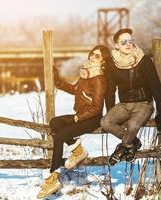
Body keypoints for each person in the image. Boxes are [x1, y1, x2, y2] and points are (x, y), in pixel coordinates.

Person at [37, 45, 110, 199]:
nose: (92, 57)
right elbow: (75, 90)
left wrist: (77, 118)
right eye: (92, 53)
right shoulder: (86, 73)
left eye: (97, 56)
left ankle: (52, 177)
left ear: (103, 60)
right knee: (55, 123)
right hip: (82, 114)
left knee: (60, 136)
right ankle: (78, 152)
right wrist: (58, 81)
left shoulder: (99, 78)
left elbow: (97, 108)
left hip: (92, 118)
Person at [100, 28, 161, 166]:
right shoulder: (112, 64)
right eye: (124, 41)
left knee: (132, 124)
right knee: (105, 122)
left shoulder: (143, 60)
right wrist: (111, 110)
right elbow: (110, 91)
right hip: (124, 104)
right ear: (116, 46)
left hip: (144, 104)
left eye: (131, 41)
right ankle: (133, 143)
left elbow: (155, 87)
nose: (128, 44)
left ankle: (121, 148)